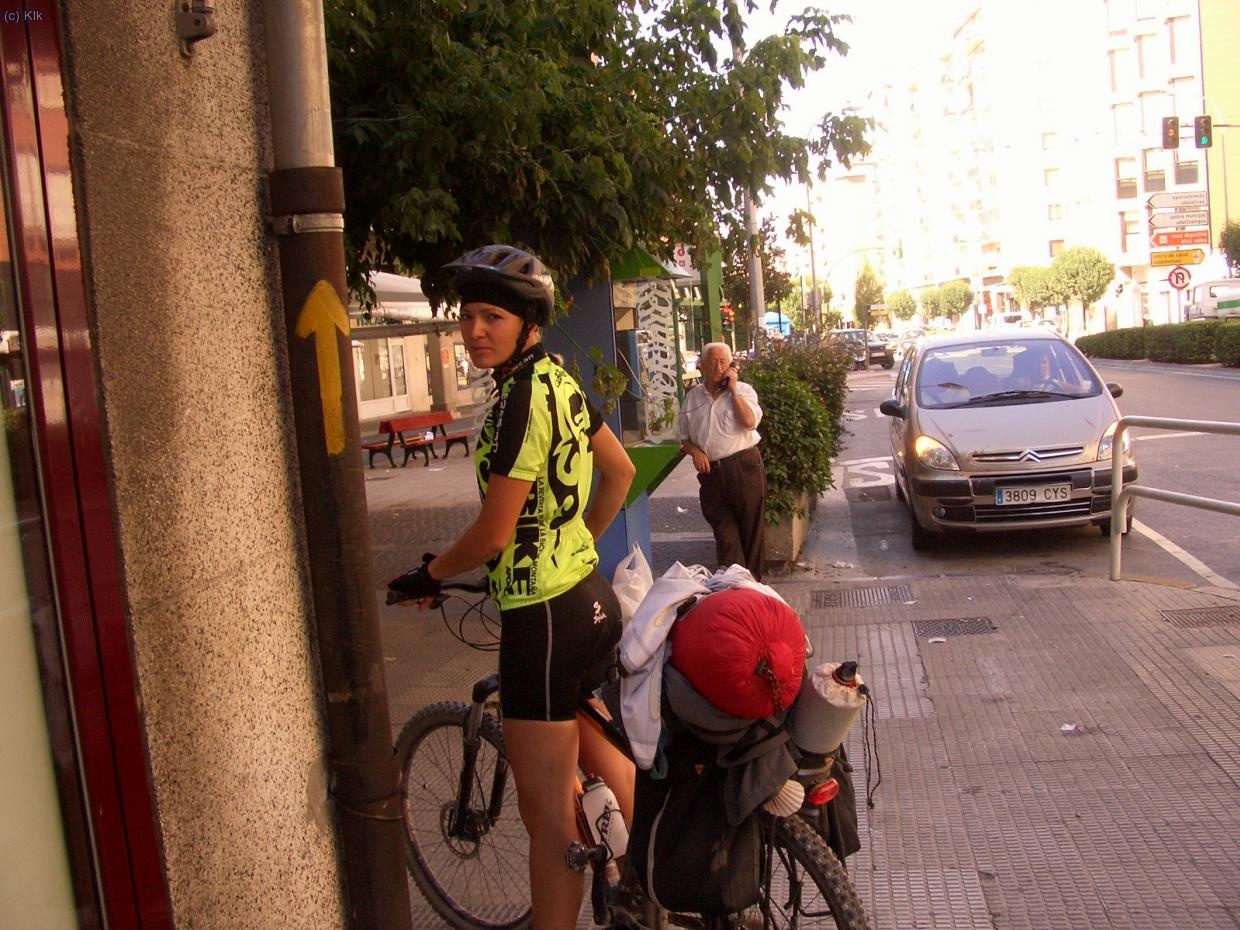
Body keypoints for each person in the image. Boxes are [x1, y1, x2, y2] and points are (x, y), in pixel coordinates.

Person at [389, 244, 637, 930]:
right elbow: (618, 473)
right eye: (467, 316)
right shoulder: (558, 381)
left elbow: (493, 535)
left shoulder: (518, 403)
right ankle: (643, 890)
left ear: (528, 324)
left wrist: (427, 575)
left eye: (491, 317)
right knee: (601, 761)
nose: (474, 331)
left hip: (543, 622)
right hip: (590, 601)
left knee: (549, 821)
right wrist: (577, 544)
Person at [677, 341, 767, 580]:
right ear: (702, 365)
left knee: (751, 533)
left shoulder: (744, 391)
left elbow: (749, 422)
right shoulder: (693, 398)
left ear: (731, 366)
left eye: (723, 362)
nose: (718, 367)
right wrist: (695, 452)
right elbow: (684, 438)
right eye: (713, 362)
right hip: (712, 474)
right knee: (725, 536)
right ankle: (733, 587)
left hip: (744, 467)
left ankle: (754, 588)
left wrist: (733, 390)